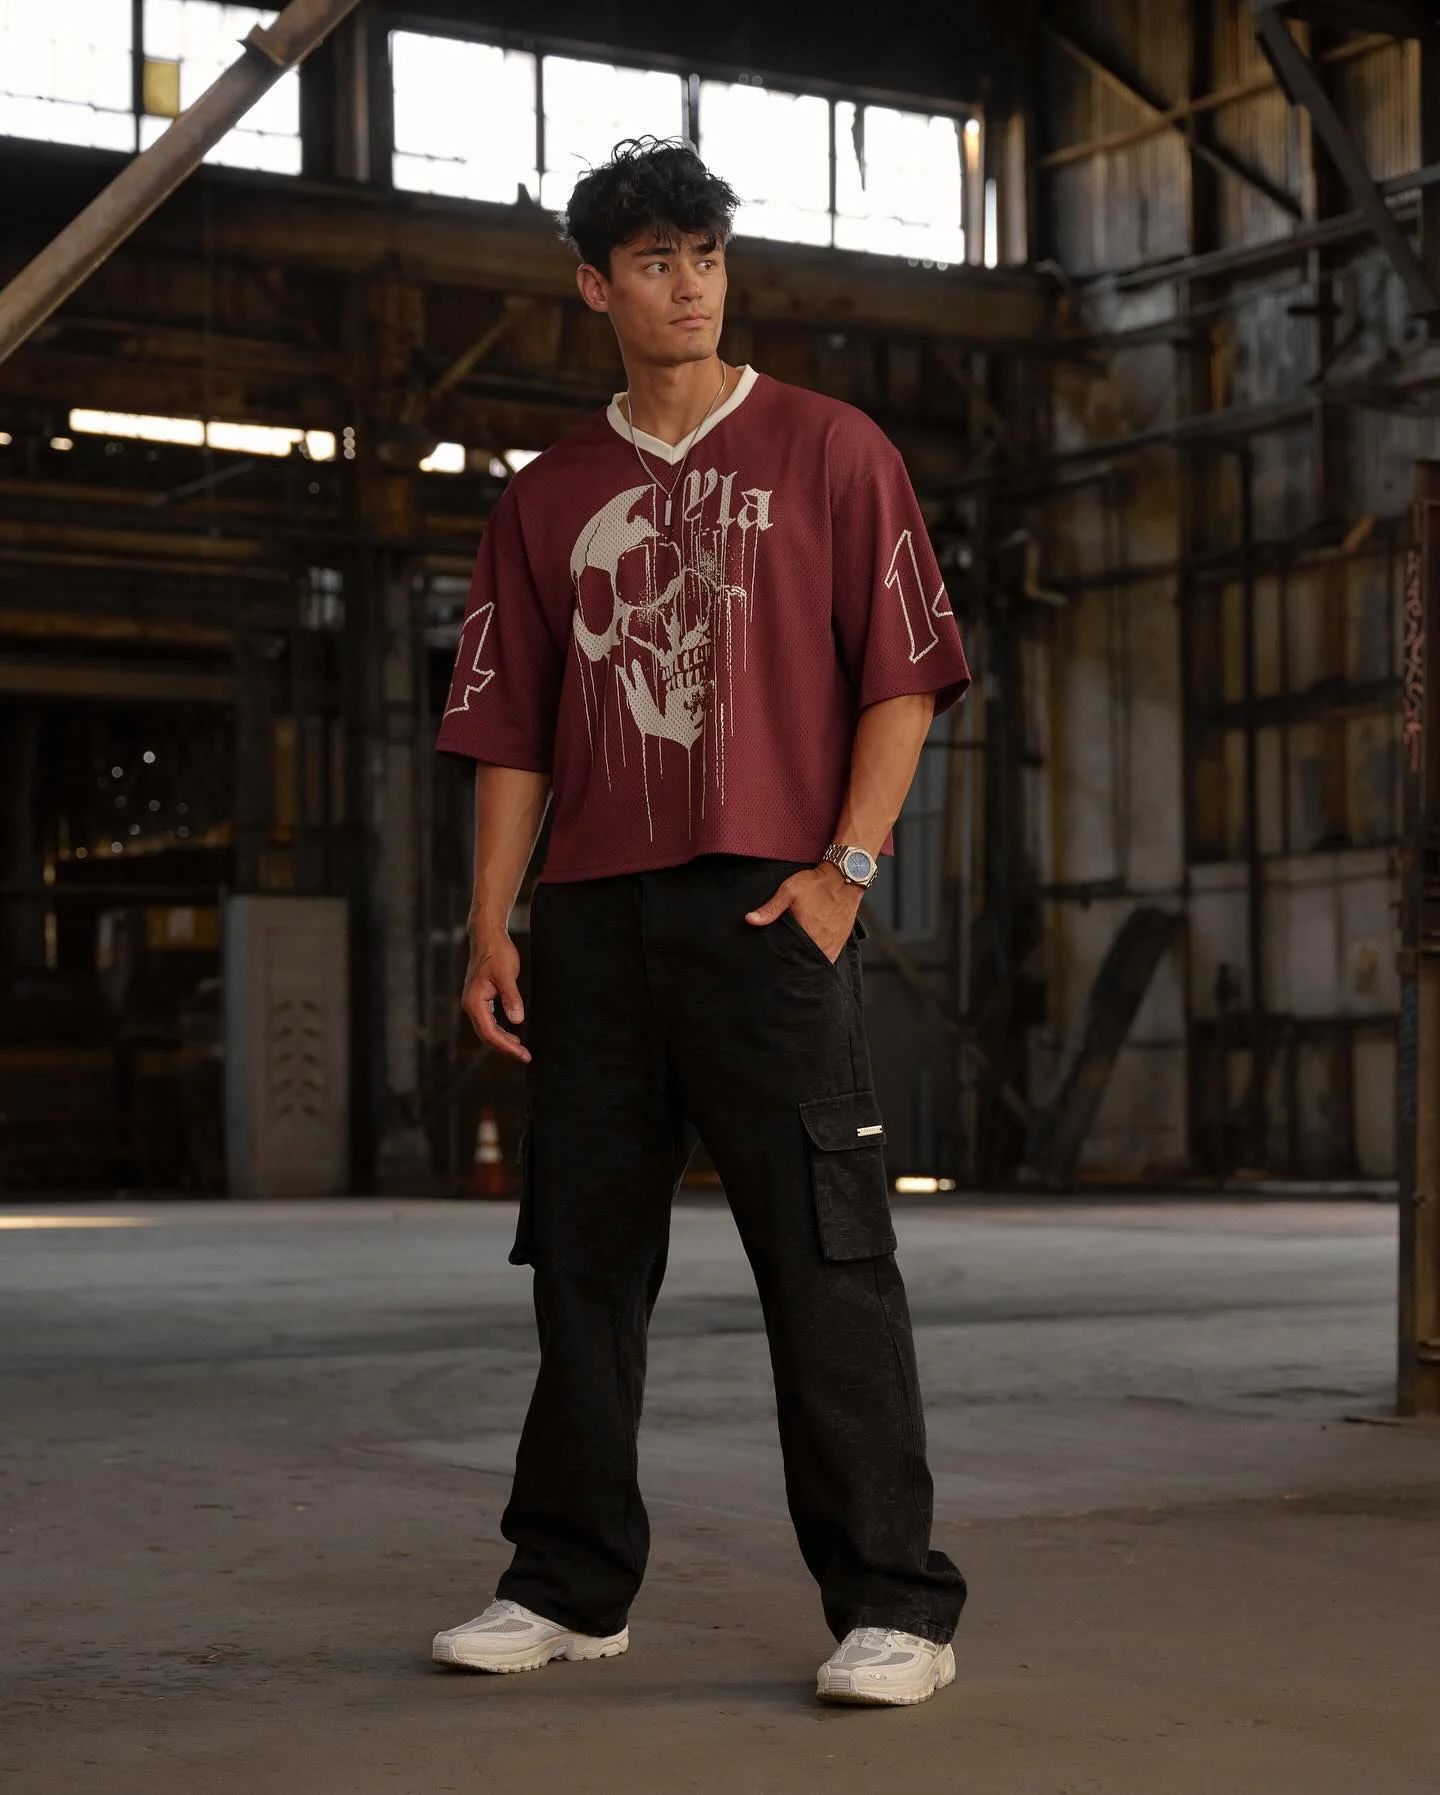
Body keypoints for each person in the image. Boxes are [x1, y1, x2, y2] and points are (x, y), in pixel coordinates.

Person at [429, 137, 971, 1707]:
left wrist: (845, 873)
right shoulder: (547, 498)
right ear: (594, 287)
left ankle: (894, 1606)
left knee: (826, 1254)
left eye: (707, 255)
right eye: (655, 260)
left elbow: (905, 676)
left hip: (767, 911)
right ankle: (566, 1586)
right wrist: (490, 923)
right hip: (594, 924)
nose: (689, 285)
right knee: (583, 1266)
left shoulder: (832, 450)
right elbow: (512, 733)